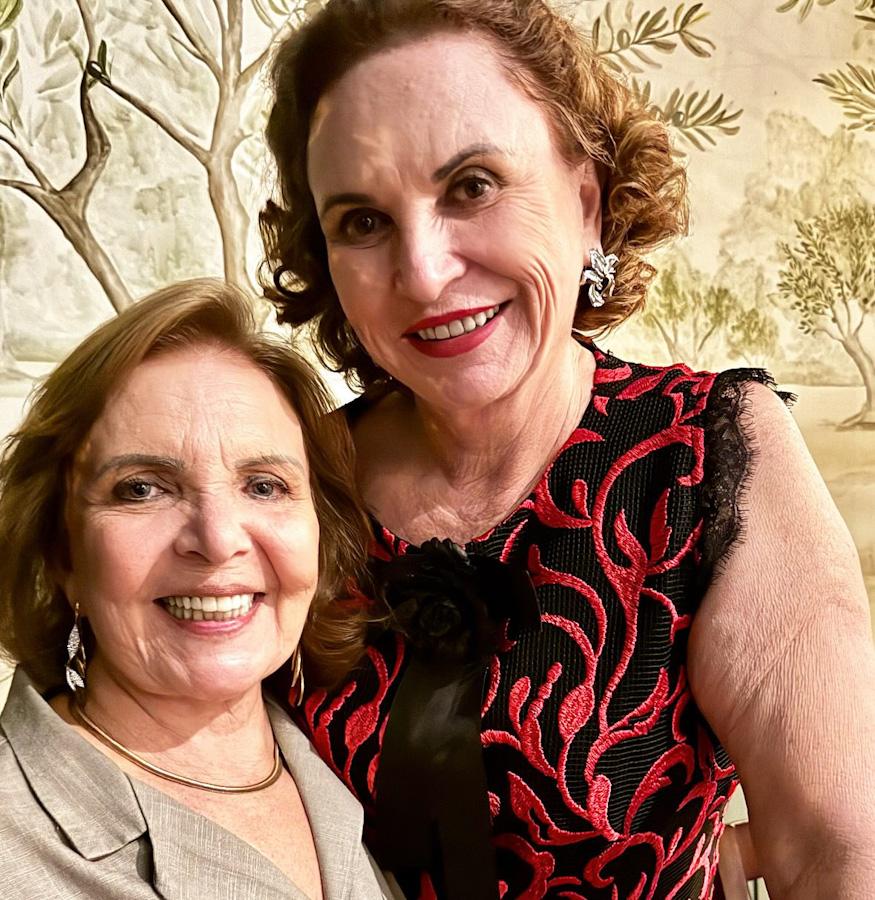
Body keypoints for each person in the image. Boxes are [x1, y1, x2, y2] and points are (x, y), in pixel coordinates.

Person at [258, 1, 875, 899]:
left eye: (471, 185)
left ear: (586, 202)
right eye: (361, 221)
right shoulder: (284, 484)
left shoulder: (704, 459)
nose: (422, 272)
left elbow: (836, 860)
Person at [0, 279, 401, 900]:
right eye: (142, 488)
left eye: (264, 486)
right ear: (62, 550)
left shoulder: (349, 768)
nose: (217, 541)